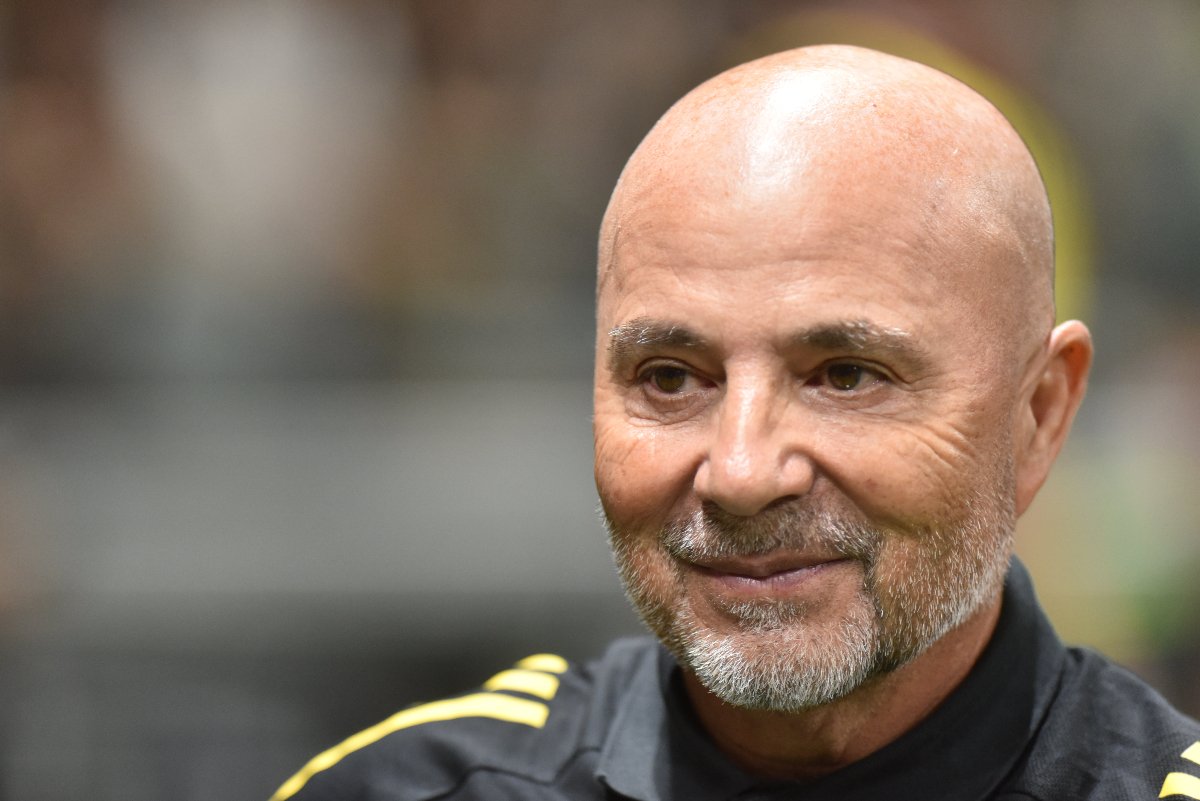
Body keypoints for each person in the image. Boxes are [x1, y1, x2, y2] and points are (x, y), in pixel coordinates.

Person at [269, 45, 1200, 801]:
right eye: (671, 378)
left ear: (1039, 415)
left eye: (845, 375)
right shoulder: (397, 787)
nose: (743, 469)